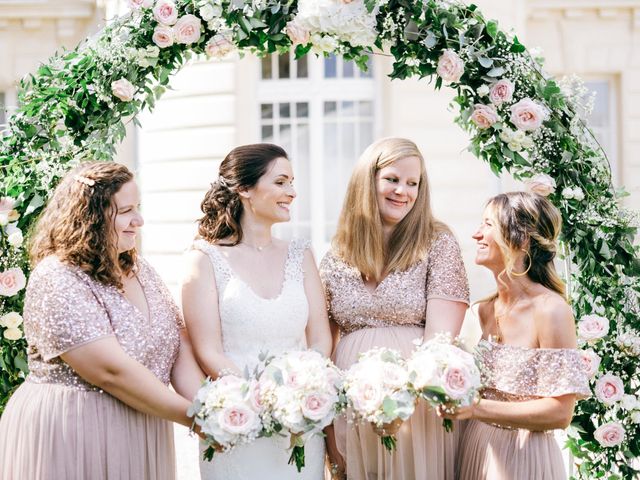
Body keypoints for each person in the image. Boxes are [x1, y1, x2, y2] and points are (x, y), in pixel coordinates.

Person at [0, 162, 203, 480]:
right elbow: (110, 371)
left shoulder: (142, 270)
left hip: (143, 424)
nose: (139, 220)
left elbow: (178, 345)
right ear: (91, 217)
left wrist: (210, 407)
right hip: (76, 430)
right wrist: (194, 417)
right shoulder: (58, 276)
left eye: (137, 208)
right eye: (126, 211)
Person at [320, 137, 470, 480]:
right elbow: (324, 352)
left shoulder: (437, 242)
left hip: (417, 413)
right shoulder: (336, 256)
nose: (402, 191)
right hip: (353, 407)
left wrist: (397, 399)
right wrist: (329, 430)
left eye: (412, 183)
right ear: (367, 180)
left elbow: (440, 344)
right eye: (392, 179)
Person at [180, 143, 332, 479]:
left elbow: (320, 338)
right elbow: (208, 350)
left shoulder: (300, 254)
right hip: (236, 417)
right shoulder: (204, 259)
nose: (291, 192)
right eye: (280, 182)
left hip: (300, 421)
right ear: (245, 189)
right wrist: (257, 398)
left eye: (292, 182)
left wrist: (301, 389)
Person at [440, 191, 590, 479]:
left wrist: (476, 408)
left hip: (525, 458)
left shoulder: (550, 311)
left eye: (487, 225)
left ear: (520, 240)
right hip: (475, 449)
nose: (476, 234)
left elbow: (560, 413)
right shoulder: (481, 310)